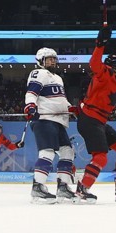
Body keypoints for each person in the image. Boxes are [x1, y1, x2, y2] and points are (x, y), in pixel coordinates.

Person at [75, 25, 116, 203]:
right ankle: (82, 189)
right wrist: (100, 43)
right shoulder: (105, 73)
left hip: (99, 122)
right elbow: (94, 64)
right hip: (89, 119)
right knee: (101, 157)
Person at [25, 46, 77, 204]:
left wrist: (71, 108)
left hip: (59, 121)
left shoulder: (58, 78)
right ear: (41, 61)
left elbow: (60, 99)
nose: (53, 61)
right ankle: (38, 188)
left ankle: (63, 188)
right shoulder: (39, 73)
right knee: (47, 152)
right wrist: (30, 105)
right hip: (44, 119)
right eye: (49, 59)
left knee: (67, 152)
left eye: (54, 58)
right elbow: (31, 92)